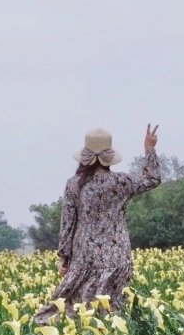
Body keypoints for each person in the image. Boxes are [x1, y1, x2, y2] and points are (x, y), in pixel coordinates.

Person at [34, 124, 162, 324]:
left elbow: (68, 224)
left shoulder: (74, 184)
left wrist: (65, 258)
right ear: (109, 157)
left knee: (74, 309)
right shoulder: (121, 182)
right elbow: (152, 178)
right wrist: (149, 149)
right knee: (111, 309)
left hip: (85, 256)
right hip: (117, 255)